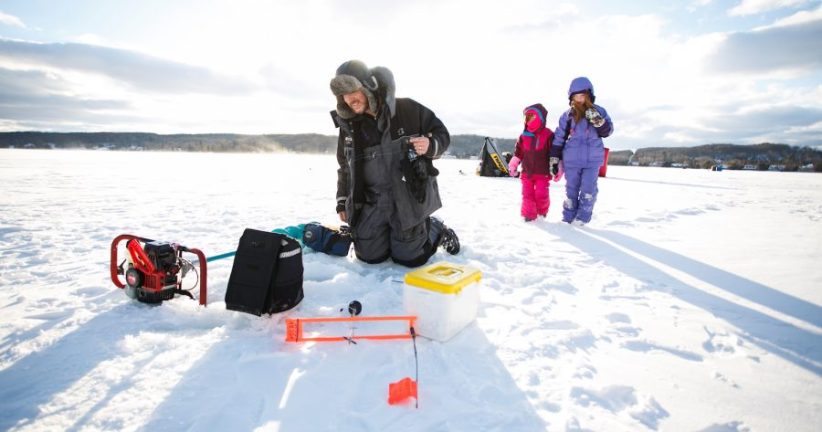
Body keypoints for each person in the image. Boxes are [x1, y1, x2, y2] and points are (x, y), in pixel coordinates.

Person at [329, 60, 459, 267]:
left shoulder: (408, 109)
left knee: (411, 258)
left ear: (368, 87)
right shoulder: (349, 127)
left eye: (352, 90)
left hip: (406, 199)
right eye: (343, 94)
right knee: (370, 257)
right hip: (372, 201)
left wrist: (430, 144)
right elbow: (344, 166)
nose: (349, 99)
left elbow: (442, 134)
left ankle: (436, 230)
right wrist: (342, 200)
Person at [549, 77, 613, 225]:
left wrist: (597, 121)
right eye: (576, 96)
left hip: (592, 159)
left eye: (583, 95)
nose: (580, 99)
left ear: (589, 95)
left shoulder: (600, 111)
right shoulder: (567, 115)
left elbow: (607, 132)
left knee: (588, 189)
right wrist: (554, 158)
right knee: (571, 190)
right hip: (572, 159)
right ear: (571, 97)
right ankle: (568, 217)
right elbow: (559, 138)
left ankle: (582, 219)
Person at [508, 103, 555, 221]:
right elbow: (518, 153)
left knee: (541, 194)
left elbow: (554, 153)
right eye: (526, 117)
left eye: (532, 116)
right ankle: (528, 215)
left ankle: (541, 213)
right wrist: (513, 165)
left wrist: (556, 166)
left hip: (542, 173)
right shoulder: (523, 136)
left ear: (540, 118)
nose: (528, 120)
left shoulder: (548, 134)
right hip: (527, 172)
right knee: (527, 195)